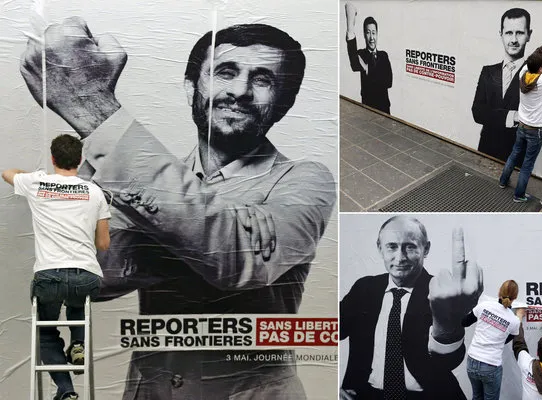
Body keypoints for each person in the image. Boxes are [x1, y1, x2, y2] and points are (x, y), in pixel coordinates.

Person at [20, 19, 336, 399]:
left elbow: (239, 258)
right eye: (225, 72)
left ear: (283, 103)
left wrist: (95, 109)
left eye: (263, 79)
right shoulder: (139, 175)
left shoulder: (307, 180)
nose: (240, 91)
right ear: (190, 89)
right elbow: (89, 278)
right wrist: (207, 238)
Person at [2, 134, 111, 400]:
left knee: (45, 331)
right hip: (85, 274)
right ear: (80, 160)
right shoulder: (94, 191)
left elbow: (7, 173)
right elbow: (104, 243)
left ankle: (66, 391)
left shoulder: (38, 183)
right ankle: (78, 343)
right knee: (76, 297)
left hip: (49, 275)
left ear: (53, 159)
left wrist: (36, 177)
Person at [340, 216, 483, 399]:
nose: (400, 258)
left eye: (410, 246)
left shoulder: (441, 292)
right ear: (380, 248)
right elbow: (330, 330)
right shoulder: (364, 288)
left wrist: (447, 325)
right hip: (366, 395)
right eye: (391, 246)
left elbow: (448, 361)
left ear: (426, 249)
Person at [498, 29, 542, 202]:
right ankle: (519, 195)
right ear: (541, 69)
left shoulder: (523, 74)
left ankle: (503, 182)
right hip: (536, 131)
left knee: (514, 154)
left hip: (521, 126)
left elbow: (533, 57)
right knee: (527, 164)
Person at [472, 8, 533, 164]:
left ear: (529, 35)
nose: (513, 39)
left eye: (519, 33)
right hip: (486, 150)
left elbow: (538, 126)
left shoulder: (535, 76)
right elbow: (477, 112)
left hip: (517, 157)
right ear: (501, 34)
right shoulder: (488, 72)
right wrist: (513, 116)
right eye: (508, 33)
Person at [463, 280, 521, 400]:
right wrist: (519, 316)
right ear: (515, 297)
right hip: (491, 366)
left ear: (499, 292)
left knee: (477, 397)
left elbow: (464, 322)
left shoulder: (484, 306)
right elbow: (505, 340)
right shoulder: (514, 321)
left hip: (472, 361)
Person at [344, 2, 393, 114]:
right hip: (367, 110)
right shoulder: (361, 54)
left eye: (374, 33)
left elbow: (389, 82)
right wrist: (350, 30)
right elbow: (354, 65)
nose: (371, 38)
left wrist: (368, 69)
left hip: (384, 110)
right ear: (364, 35)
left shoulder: (384, 55)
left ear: (377, 34)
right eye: (368, 33)